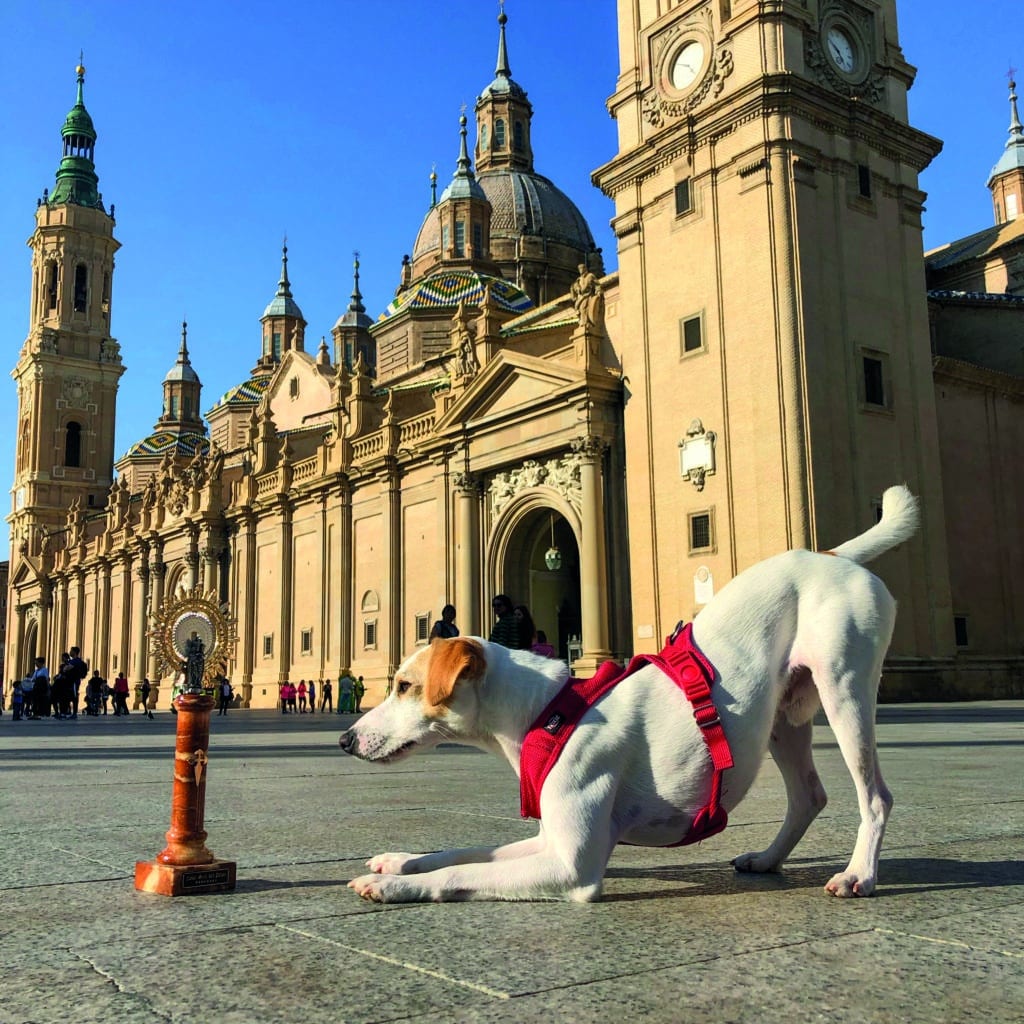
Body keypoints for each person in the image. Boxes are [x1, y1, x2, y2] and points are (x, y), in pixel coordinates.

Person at [67, 646, 88, 719]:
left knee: (74, 696)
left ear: (74, 652)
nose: (70, 652)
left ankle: (74, 713)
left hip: (74, 682)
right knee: (72, 696)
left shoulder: (75, 661)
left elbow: (66, 668)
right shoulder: (76, 661)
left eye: (71, 650)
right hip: (72, 681)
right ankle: (71, 712)